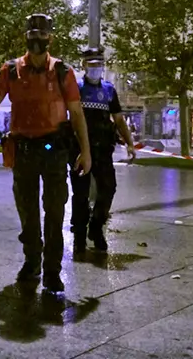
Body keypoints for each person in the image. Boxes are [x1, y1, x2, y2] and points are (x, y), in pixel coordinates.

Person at [0, 14, 91, 292]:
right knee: (28, 213)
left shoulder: (63, 71)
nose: (37, 40)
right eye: (33, 34)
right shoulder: (9, 70)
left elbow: (77, 113)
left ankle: (52, 270)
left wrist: (85, 152)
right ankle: (32, 263)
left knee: (54, 213)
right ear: (26, 37)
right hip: (24, 151)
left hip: (55, 149)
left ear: (50, 38)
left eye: (42, 35)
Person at [69, 47, 136, 253]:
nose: (96, 68)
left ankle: (96, 227)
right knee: (80, 194)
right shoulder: (76, 88)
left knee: (108, 189)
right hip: (79, 150)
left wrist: (129, 142)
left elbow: (118, 119)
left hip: (103, 149)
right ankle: (79, 235)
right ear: (84, 66)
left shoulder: (108, 90)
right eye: (91, 64)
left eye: (99, 64)